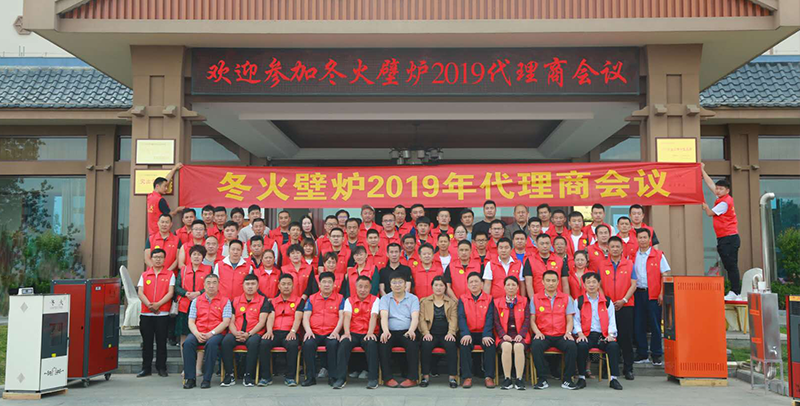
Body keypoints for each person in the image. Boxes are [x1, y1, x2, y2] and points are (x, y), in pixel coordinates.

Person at [530, 270, 579, 390]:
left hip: (561, 334)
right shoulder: (535, 298)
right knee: (536, 345)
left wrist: (568, 332)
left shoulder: (566, 298)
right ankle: (542, 379)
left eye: (553, 281)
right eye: (548, 280)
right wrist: (537, 332)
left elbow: (569, 319)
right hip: (543, 334)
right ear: (543, 282)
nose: (551, 283)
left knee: (572, 346)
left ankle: (567, 379)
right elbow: (532, 320)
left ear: (558, 282)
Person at [574, 272, 623, 390]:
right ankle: (581, 378)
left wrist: (611, 334)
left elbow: (612, 319)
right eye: (588, 282)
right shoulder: (579, 301)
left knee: (613, 346)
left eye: (594, 282)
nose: (591, 285)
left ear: (598, 284)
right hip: (586, 335)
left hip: (603, 335)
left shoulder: (607, 301)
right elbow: (576, 320)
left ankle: (614, 379)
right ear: (584, 285)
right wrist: (580, 333)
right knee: (581, 346)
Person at [182, 273, 231, 389]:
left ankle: (207, 379)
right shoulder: (196, 301)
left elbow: (226, 322)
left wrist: (211, 333)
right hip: (198, 331)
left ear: (218, 285)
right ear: (204, 285)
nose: (211, 286)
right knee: (187, 343)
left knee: (211, 344)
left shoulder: (225, 301)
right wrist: (196, 333)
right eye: (208, 283)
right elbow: (191, 321)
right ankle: (190, 378)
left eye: (214, 283)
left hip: (216, 333)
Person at [701, 163, 742, 300]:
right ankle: (735, 291)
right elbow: (710, 184)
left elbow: (710, 213)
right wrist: (702, 171)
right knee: (729, 265)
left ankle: (735, 292)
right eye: (717, 188)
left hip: (729, 238)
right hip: (725, 238)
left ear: (727, 190)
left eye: (720, 189)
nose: (717, 191)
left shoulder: (724, 202)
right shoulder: (722, 198)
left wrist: (705, 206)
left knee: (731, 266)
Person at [221, 274, 268, 387]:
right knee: (226, 341)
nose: (250, 286)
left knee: (253, 343)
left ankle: (248, 375)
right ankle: (229, 375)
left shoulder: (263, 300)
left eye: (253, 284)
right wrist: (235, 333)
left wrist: (249, 334)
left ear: (258, 286)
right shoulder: (235, 300)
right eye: (247, 284)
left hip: (254, 333)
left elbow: (262, 322)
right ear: (243, 286)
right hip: (236, 332)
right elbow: (231, 321)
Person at [334, 275, 381, 389]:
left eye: (366, 287)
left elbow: (374, 316)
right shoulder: (349, 300)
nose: (363, 290)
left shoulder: (375, 300)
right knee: (344, 343)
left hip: (368, 332)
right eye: (360, 286)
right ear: (355, 287)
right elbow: (347, 316)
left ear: (370, 288)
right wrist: (346, 333)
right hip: (353, 332)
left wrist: (370, 333)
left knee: (371, 344)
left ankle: (373, 379)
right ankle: (340, 379)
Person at [600, 236, 637, 381]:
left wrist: (624, 300)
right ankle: (607, 369)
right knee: (608, 337)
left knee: (626, 338)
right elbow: (598, 285)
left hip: (626, 305)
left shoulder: (629, 264)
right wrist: (606, 302)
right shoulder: (602, 264)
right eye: (612, 247)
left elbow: (634, 284)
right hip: (607, 307)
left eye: (617, 247)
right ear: (608, 248)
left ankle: (628, 369)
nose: (615, 249)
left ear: (622, 249)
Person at [632, 228, 670, 366]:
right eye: (640, 237)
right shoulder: (632, 256)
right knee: (639, 324)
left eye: (645, 237)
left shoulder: (658, 255)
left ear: (650, 239)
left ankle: (656, 354)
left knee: (655, 325)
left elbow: (665, 274)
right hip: (637, 293)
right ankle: (642, 353)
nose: (642, 240)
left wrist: (661, 293)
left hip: (654, 294)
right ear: (636, 239)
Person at [258, 274, 303, 387]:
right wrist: (269, 331)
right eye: (283, 284)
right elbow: (271, 317)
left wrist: (293, 331)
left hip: (290, 332)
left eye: (289, 284)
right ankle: (266, 377)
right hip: (274, 332)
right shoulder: (272, 301)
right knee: (264, 343)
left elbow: (298, 317)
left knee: (292, 344)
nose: (286, 286)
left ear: (293, 286)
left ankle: (290, 377)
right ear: (279, 286)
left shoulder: (299, 301)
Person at [378, 271, 421, 388]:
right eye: (394, 282)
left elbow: (415, 317)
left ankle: (412, 378)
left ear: (405, 284)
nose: (397, 285)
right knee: (383, 344)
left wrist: (411, 330)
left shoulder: (413, 298)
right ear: (390, 285)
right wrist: (385, 331)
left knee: (412, 344)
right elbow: (384, 316)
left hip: (407, 330)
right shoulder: (385, 299)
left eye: (400, 282)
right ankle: (387, 378)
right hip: (390, 331)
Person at [301, 271, 344, 386]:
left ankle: (333, 377)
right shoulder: (312, 298)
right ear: (319, 284)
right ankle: (310, 377)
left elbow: (342, 317)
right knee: (308, 344)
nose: (327, 284)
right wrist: (308, 331)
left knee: (333, 344)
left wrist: (336, 332)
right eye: (324, 282)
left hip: (331, 332)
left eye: (329, 282)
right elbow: (306, 317)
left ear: (334, 284)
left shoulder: (340, 298)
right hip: (314, 332)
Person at [137, 248, 175, 378]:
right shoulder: (144, 275)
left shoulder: (170, 274)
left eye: (160, 257)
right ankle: (146, 368)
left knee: (161, 342)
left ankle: (161, 368)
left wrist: (158, 304)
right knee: (147, 343)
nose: (158, 259)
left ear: (164, 259)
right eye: (155, 257)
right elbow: (140, 292)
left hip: (162, 314)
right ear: (151, 259)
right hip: (146, 314)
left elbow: (170, 292)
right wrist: (149, 305)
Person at [457, 272, 496, 388]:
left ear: (482, 284)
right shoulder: (463, 299)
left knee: (490, 345)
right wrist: (465, 333)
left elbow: (490, 318)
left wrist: (487, 334)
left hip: (484, 333)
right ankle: (467, 377)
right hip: (469, 333)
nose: (474, 284)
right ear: (468, 285)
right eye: (471, 282)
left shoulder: (489, 299)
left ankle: (489, 377)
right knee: (464, 344)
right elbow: (461, 317)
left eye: (476, 282)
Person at [418, 276, 459, 388]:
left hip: (446, 334)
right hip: (431, 333)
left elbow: (454, 319)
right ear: (432, 287)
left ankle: (452, 377)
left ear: (445, 287)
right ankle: (425, 377)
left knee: (451, 345)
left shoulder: (451, 302)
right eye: (436, 285)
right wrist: (426, 333)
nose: (438, 288)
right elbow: (421, 319)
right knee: (425, 345)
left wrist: (451, 333)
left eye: (441, 285)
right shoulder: (424, 302)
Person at [175, 245, 211, 369]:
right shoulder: (184, 270)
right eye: (194, 254)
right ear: (189, 256)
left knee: (200, 335)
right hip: (184, 307)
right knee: (184, 336)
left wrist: (199, 293)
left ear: (203, 257)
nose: (196, 257)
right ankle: (186, 366)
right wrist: (186, 293)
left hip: (202, 306)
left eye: (199, 255)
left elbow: (211, 286)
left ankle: (197, 367)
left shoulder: (208, 269)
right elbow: (177, 287)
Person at [493, 276, 529, 390]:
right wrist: (503, 335)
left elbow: (527, 319)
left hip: (520, 334)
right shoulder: (497, 302)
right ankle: (507, 378)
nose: (511, 287)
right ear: (504, 287)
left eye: (513, 285)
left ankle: (519, 379)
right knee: (506, 346)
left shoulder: (524, 301)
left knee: (518, 347)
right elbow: (496, 321)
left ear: (518, 287)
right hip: (504, 335)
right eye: (508, 285)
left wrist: (521, 334)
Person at [523, 234, 569, 298]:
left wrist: (566, 299)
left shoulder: (560, 260)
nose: (545, 246)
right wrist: (533, 300)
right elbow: (528, 284)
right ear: (536, 244)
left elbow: (565, 284)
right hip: (538, 298)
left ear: (551, 244)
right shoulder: (530, 260)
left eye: (547, 243)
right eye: (542, 244)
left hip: (557, 299)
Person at [146, 163, 182, 235]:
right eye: (165, 186)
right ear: (157, 186)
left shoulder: (150, 196)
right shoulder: (160, 200)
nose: (166, 189)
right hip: (160, 233)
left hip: (152, 233)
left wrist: (174, 168)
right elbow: (169, 215)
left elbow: (166, 181)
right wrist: (177, 210)